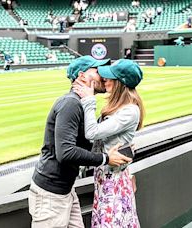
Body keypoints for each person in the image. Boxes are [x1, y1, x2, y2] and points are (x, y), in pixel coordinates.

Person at [29, 56, 132, 227]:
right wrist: (106, 158)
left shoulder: (81, 104)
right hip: (51, 195)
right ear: (82, 76)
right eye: (97, 71)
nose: (103, 76)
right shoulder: (71, 104)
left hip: (65, 190)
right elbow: (66, 153)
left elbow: (86, 144)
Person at [73, 59, 144, 227]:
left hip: (114, 182)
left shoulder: (130, 110)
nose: (105, 80)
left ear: (120, 83)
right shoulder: (118, 106)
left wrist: (89, 100)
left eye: (110, 77)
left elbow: (92, 132)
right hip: (104, 179)